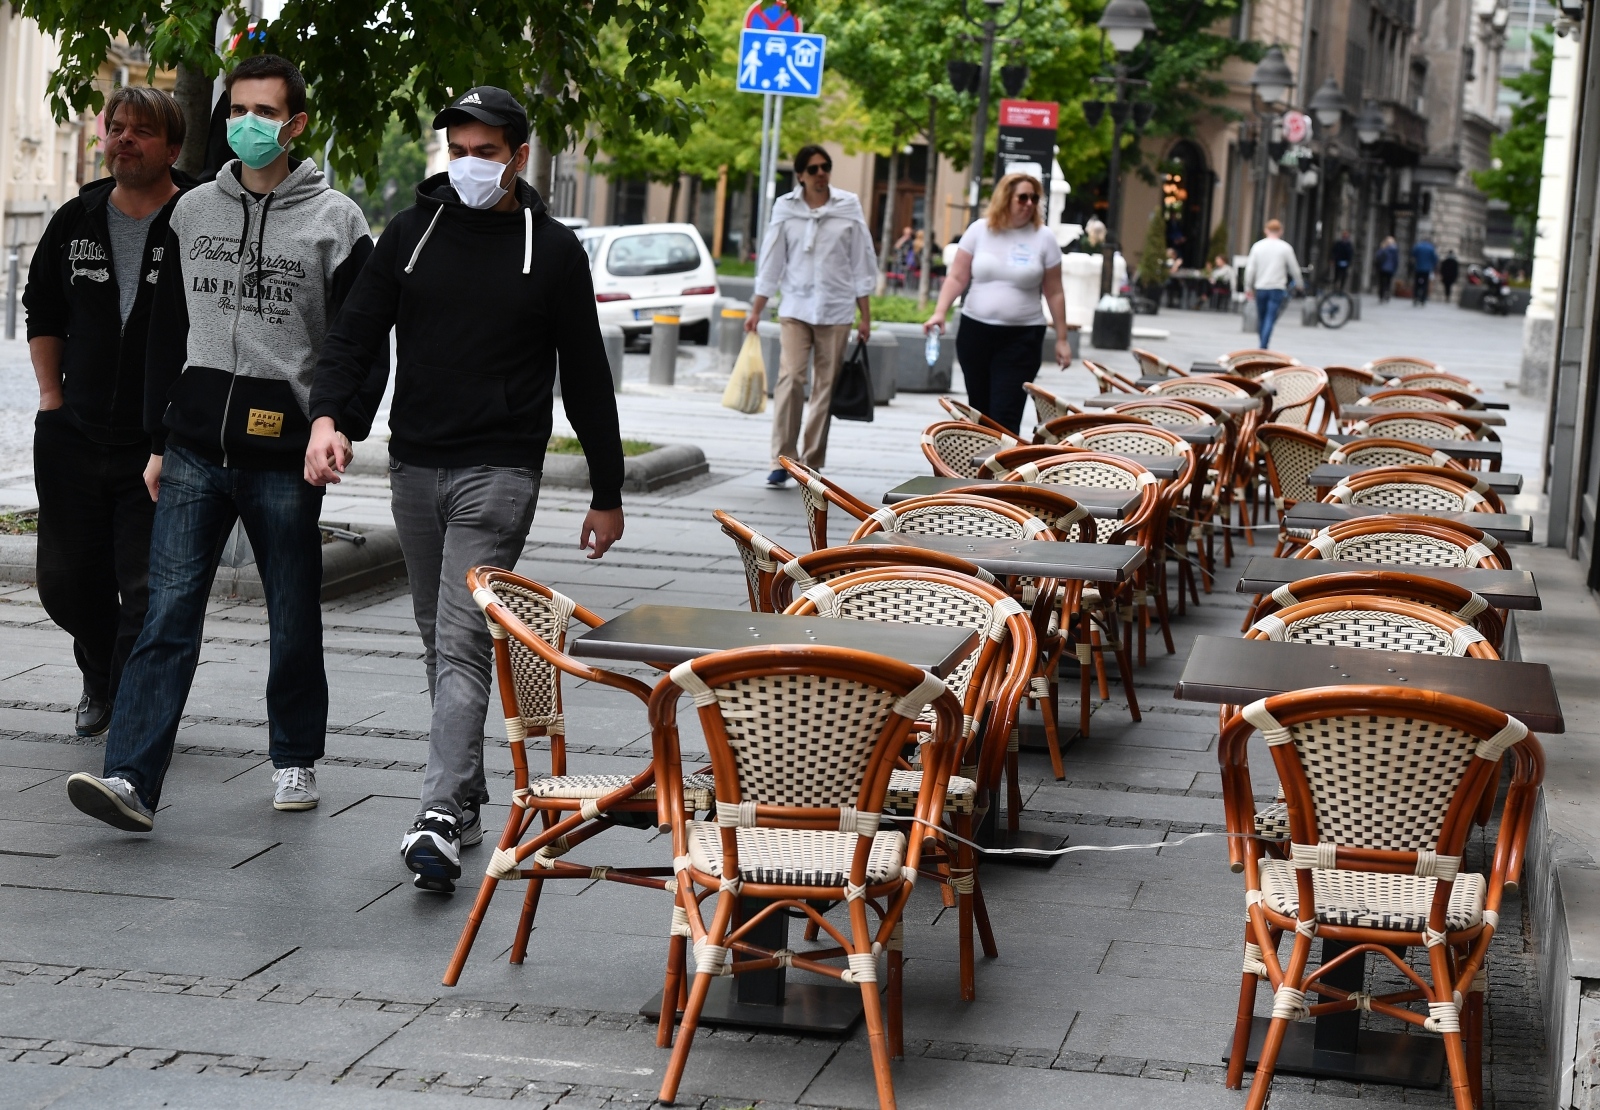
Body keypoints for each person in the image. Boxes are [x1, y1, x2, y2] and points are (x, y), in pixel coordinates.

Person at [306, 87, 626, 893]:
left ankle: (439, 815)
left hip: (500, 471)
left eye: (487, 152)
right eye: (459, 150)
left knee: (457, 638)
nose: (471, 165)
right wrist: (329, 418)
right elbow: (353, 334)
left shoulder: (551, 251)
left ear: (519, 156)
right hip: (416, 467)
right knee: (436, 636)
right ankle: (470, 792)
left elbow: (586, 375)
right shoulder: (411, 234)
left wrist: (607, 488)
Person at [64, 54, 385, 832]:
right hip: (195, 446)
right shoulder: (193, 211)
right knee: (167, 610)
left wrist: (336, 423)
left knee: (292, 610)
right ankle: (132, 779)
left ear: (296, 123)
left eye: (265, 112)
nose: (248, 124)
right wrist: (156, 438)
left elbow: (361, 341)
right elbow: (163, 334)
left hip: (285, 455)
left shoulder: (338, 222)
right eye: (238, 109)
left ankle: (295, 755)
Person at [23, 87, 193, 741]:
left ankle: (132, 711)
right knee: (65, 583)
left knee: (148, 590)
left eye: (141, 130)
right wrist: (50, 399)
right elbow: (43, 310)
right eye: (116, 127)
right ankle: (100, 672)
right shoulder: (78, 217)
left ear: (172, 148)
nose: (123, 139)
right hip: (72, 433)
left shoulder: (200, 219)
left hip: (162, 442)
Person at [747, 145, 876, 487]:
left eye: (826, 167)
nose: (822, 174)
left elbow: (861, 261)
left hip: (836, 309)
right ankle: (783, 458)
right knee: (790, 379)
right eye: (814, 169)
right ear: (801, 175)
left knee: (825, 387)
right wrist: (757, 309)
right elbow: (772, 260)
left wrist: (866, 316)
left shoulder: (848, 206)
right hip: (795, 308)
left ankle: (811, 463)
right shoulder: (785, 208)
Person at [922, 172, 1070, 432]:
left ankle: (1002, 470)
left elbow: (1055, 291)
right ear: (1005, 198)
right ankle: (980, 472)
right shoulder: (979, 230)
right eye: (1022, 197)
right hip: (976, 331)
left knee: (1006, 411)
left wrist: (1061, 338)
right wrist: (939, 313)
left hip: (1022, 337)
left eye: (1034, 198)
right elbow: (957, 277)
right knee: (979, 410)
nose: (1029, 203)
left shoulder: (1043, 237)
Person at [1242, 218, 1301, 349]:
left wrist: (1247, 286)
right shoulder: (1285, 248)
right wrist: (1300, 283)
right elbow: (1294, 269)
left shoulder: (1257, 246)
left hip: (1261, 287)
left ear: (1266, 230)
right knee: (1270, 317)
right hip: (1277, 287)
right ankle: (1264, 345)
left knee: (1262, 317)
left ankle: (1262, 343)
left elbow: (1250, 268)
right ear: (1280, 231)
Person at [1412, 235, 1438, 306]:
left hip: (1418, 267)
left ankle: (1416, 297)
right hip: (1427, 269)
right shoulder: (1431, 248)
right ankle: (1423, 299)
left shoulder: (1418, 246)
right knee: (1425, 284)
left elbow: (1413, 254)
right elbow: (1435, 259)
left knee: (1417, 283)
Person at [1375, 236, 1398, 303]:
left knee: (1382, 282)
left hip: (1382, 268)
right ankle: (1387, 294)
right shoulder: (1394, 249)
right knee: (1388, 282)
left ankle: (1381, 296)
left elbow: (1378, 257)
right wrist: (1395, 268)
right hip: (1390, 269)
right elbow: (1396, 260)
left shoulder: (1383, 248)